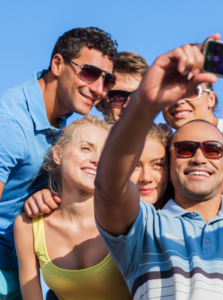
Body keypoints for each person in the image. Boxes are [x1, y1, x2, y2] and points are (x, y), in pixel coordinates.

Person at [94, 35, 223, 299]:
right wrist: (144, 102)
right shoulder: (144, 229)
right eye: (184, 149)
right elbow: (108, 187)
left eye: (213, 149)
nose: (199, 157)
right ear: (168, 165)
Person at [0, 27, 117, 300]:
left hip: (22, 265)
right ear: (57, 64)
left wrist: (49, 193)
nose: (99, 89)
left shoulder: (65, 119)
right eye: (88, 72)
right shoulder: (10, 125)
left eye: (107, 80)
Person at [19, 117, 172, 300]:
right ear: (57, 154)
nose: (97, 159)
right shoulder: (27, 225)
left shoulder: (133, 220)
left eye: (106, 153)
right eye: (85, 148)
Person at [96, 51, 149, 121]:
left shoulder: (167, 130)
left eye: (137, 96)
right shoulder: (82, 131)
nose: (127, 106)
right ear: (98, 103)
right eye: (118, 97)